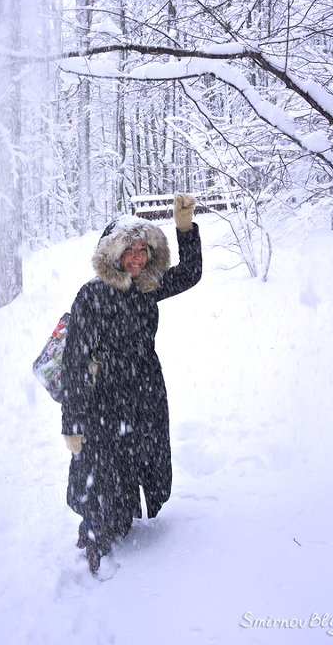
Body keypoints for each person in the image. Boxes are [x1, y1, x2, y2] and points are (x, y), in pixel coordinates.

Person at [61, 193, 202, 573]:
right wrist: (72, 424)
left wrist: (184, 227)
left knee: (141, 456)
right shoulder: (92, 296)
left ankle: (120, 520)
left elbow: (190, 273)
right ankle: (93, 534)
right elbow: (74, 360)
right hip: (105, 395)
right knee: (102, 465)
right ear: (113, 255)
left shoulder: (147, 287)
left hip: (144, 389)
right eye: (130, 250)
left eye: (143, 250)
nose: (137, 257)